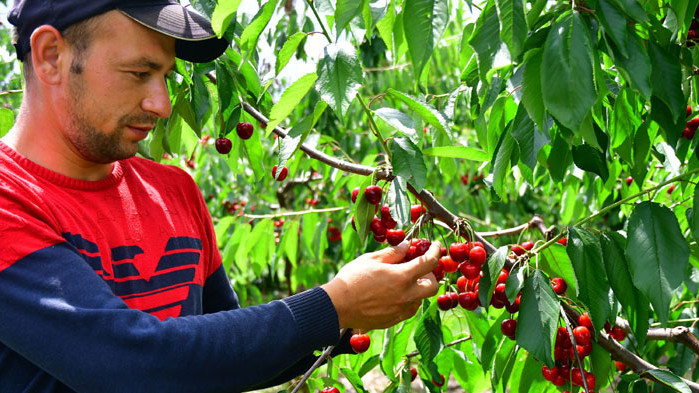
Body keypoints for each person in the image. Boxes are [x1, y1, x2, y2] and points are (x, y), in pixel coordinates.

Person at [0, 1, 441, 392]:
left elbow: (221, 359)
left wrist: (353, 312)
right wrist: (334, 304)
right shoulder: (9, 200)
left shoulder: (174, 192)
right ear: (51, 56)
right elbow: (125, 364)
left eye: (166, 76)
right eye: (139, 73)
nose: (163, 104)